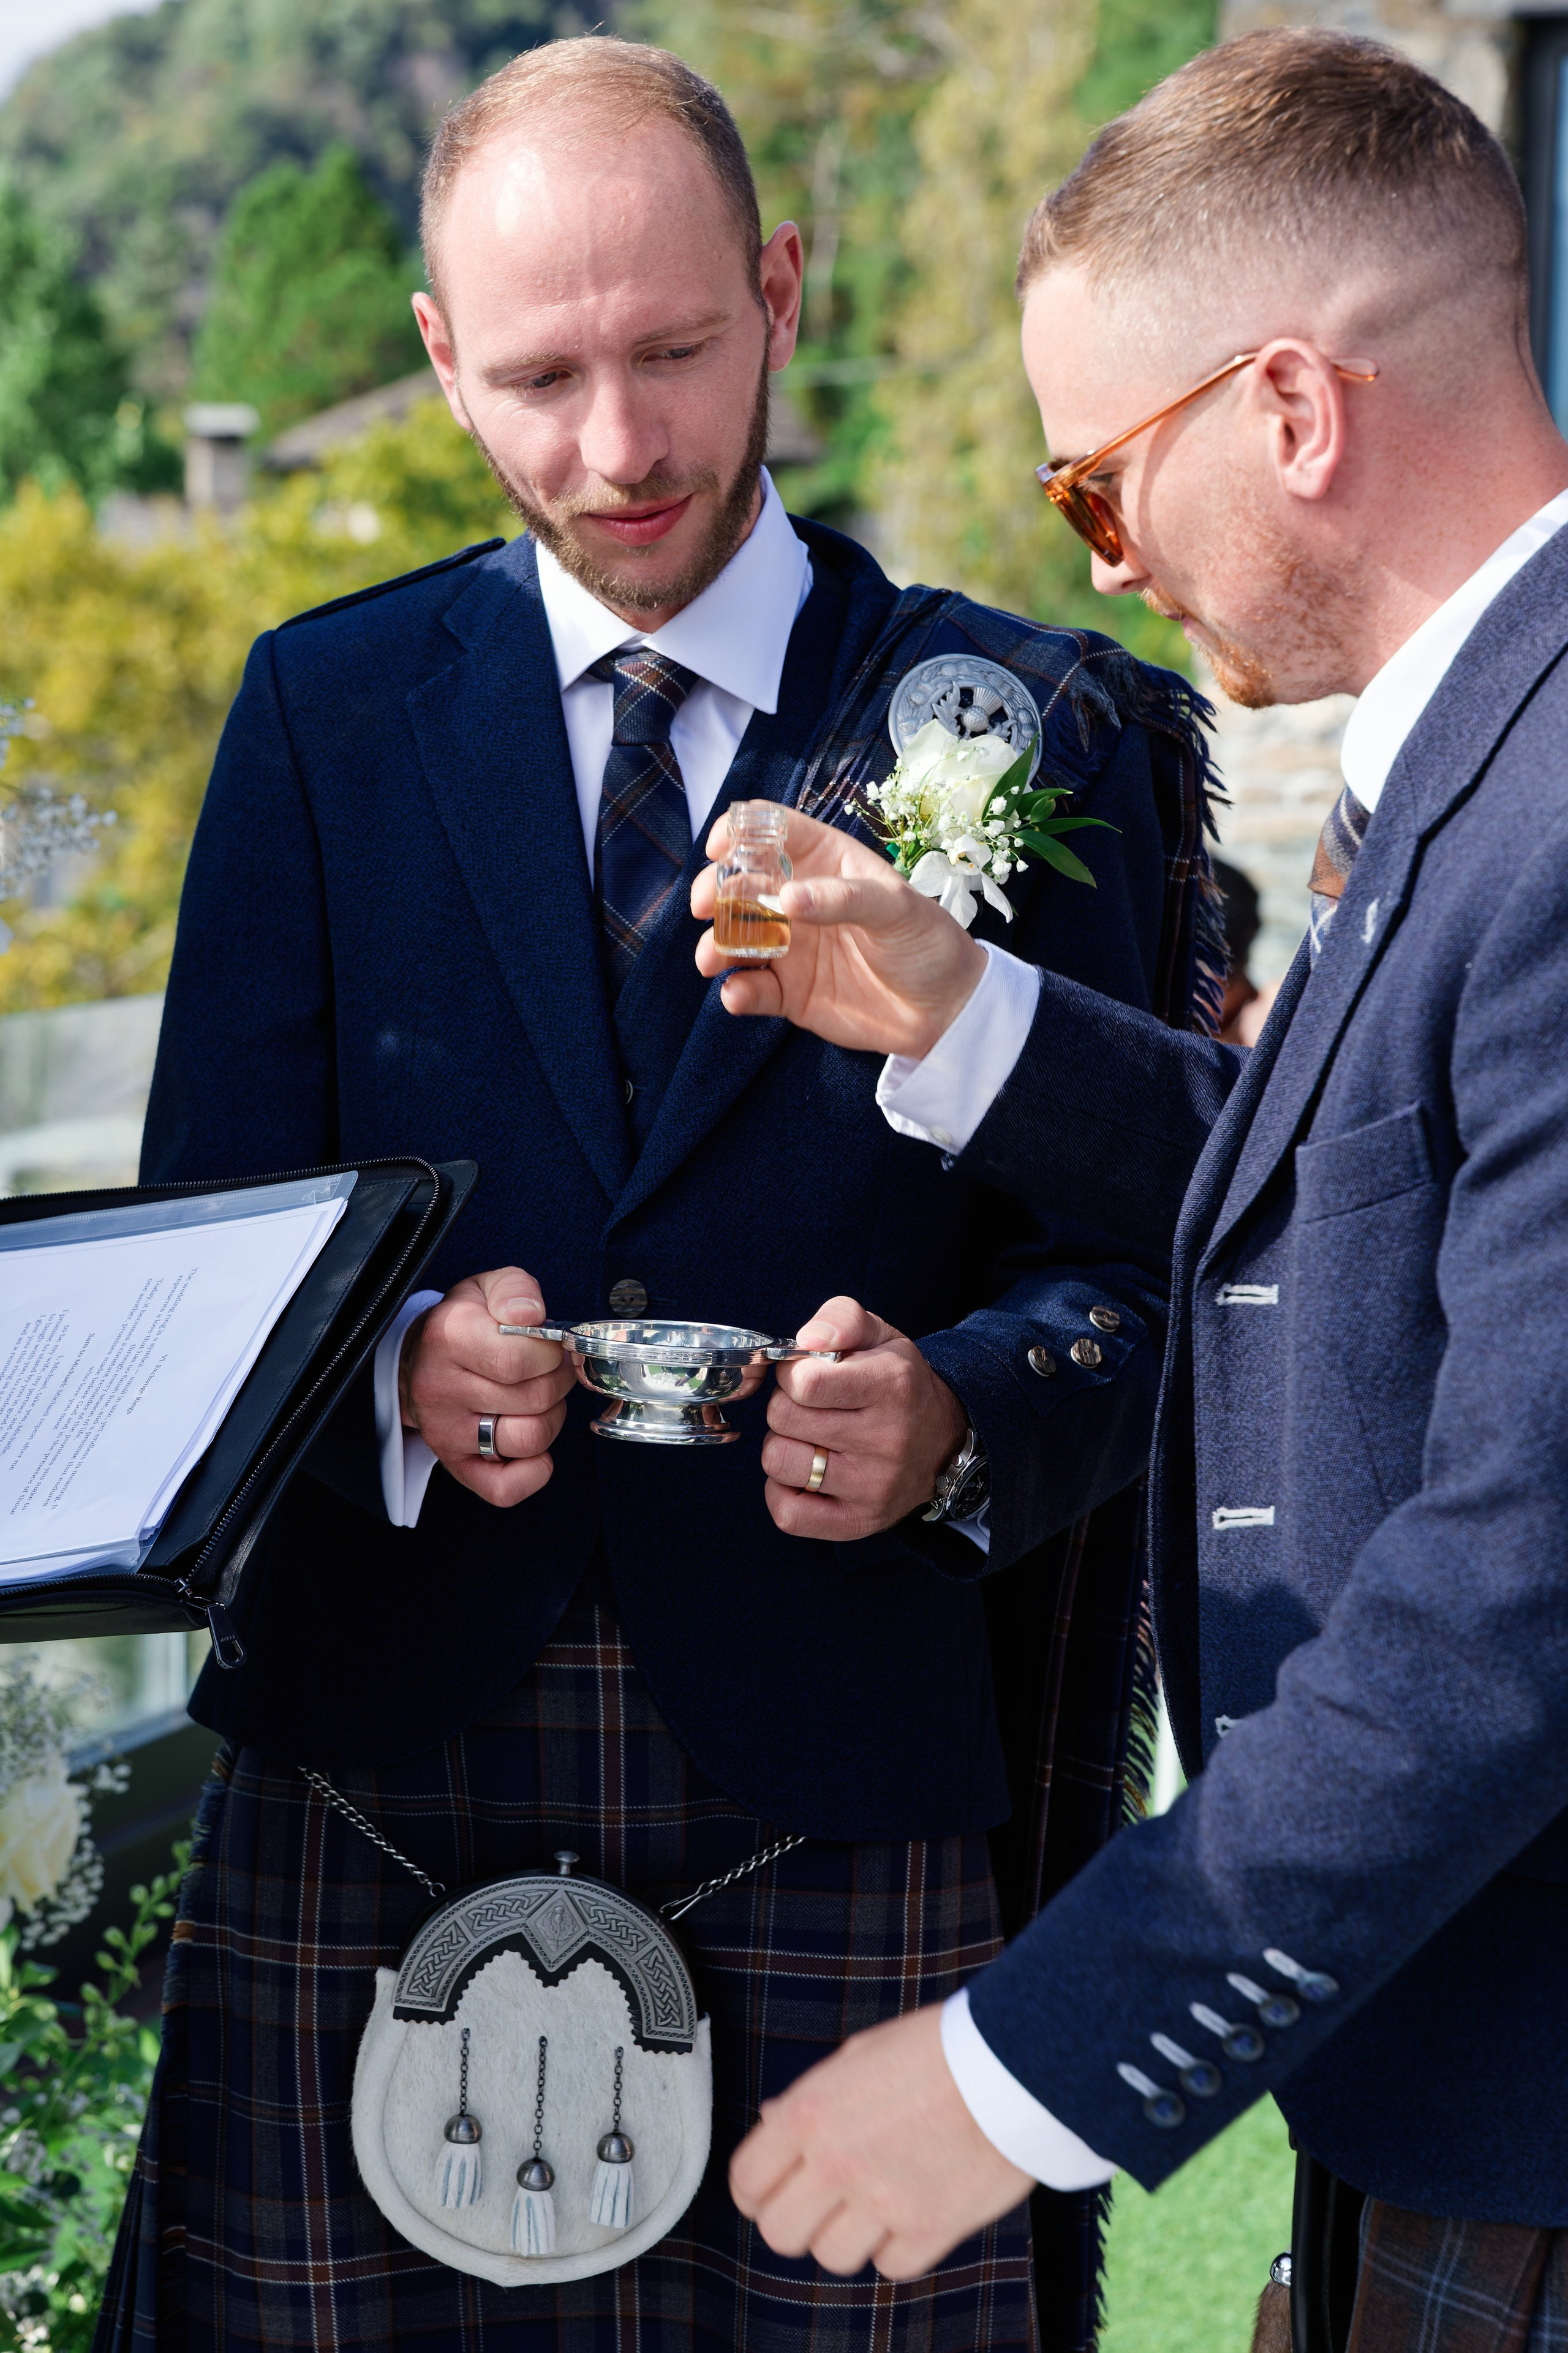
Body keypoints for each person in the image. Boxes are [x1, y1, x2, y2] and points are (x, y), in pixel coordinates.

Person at [99, 36, 1222, 2353]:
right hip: (381, 1753)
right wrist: (389, 1367)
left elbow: (1147, 1254)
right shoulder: (319, 715)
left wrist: (967, 1407)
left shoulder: (1026, 720)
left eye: (677, 351)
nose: (615, 450)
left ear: (781, 288)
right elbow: (200, 1257)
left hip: (834, 1765)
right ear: (435, 358)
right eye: (536, 375)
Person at [696, 31, 1568, 2347]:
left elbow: (1528, 1580)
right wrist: (964, 1021)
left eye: (1101, 488)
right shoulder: (1493, 755)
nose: (1103, 555)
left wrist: (1017, 2069)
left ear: (1290, 410)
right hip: (1448, 2073)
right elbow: (1375, 1221)